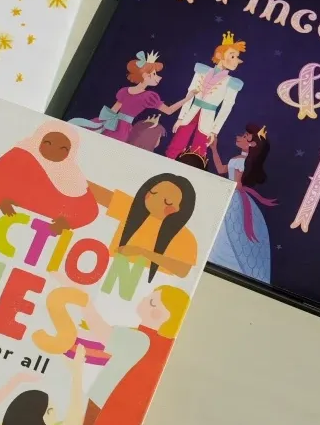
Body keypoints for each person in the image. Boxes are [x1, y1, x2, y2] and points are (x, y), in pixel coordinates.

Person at [76, 286, 191, 425]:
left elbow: (101, 330)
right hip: (113, 405)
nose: (145, 299)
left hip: (104, 403)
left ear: (160, 315)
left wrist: (85, 302)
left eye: (152, 301)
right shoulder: (158, 343)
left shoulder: (141, 339)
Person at [0, 121, 123, 233]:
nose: (54, 150)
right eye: (48, 143)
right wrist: (1, 201)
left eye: (63, 149)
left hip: (42, 234)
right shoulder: (20, 155)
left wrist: (67, 223)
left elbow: (89, 210)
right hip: (7, 222)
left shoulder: (73, 176)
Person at [69, 51, 195, 150]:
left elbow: (112, 111)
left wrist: (101, 124)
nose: (158, 77)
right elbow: (169, 111)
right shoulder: (148, 96)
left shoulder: (125, 91)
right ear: (145, 75)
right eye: (154, 74)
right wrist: (187, 98)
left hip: (111, 123)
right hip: (121, 129)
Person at [101, 174, 199, 299]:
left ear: (178, 210)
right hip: (104, 280)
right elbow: (93, 192)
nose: (153, 199)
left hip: (145, 295)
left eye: (167, 202)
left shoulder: (185, 237)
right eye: (153, 192)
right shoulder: (131, 208)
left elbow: (183, 270)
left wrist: (141, 252)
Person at [165, 32, 247, 167]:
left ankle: (192, 171)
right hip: (191, 112)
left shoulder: (231, 83)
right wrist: (181, 117)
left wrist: (215, 131)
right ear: (220, 55)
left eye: (237, 57)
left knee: (199, 149)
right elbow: (190, 94)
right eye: (232, 56)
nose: (237, 61)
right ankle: (167, 163)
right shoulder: (202, 71)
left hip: (209, 118)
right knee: (178, 142)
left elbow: (226, 108)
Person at [208, 124, 277, 282]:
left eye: (245, 136)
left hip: (234, 197)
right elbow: (221, 169)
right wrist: (214, 149)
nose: (239, 137)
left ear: (251, 144)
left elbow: (237, 184)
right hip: (231, 193)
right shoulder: (237, 159)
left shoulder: (244, 161)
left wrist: (227, 187)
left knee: (228, 227)